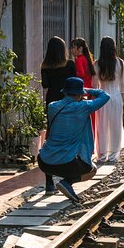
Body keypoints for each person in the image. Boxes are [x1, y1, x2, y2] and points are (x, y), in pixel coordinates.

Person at [38, 77, 110, 203]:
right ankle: (67, 182)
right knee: (92, 170)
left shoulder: (52, 106)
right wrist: (88, 90)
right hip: (68, 163)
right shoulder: (83, 107)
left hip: (45, 162)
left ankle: (59, 184)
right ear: (80, 94)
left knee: (60, 153)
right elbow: (105, 96)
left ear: (64, 92)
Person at [40, 36, 76, 195]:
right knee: (68, 139)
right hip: (67, 103)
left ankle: (49, 182)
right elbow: (75, 84)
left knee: (51, 139)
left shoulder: (45, 65)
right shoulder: (70, 64)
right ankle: (67, 178)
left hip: (52, 104)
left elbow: (45, 85)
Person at [93, 37, 124, 165]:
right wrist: (122, 102)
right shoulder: (120, 63)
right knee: (115, 125)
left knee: (102, 126)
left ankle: (102, 154)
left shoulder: (97, 64)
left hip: (102, 98)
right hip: (116, 97)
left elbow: (95, 86)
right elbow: (122, 86)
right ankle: (114, 154)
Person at [71, 37, 97, 148]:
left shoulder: (79, 59)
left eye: (73, 47)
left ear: (80, 48)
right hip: (90, 92)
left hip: (82, 93)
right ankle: (91, 145)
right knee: (91, 121)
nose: (72, 50)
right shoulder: (88, 58)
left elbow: (80, 73)